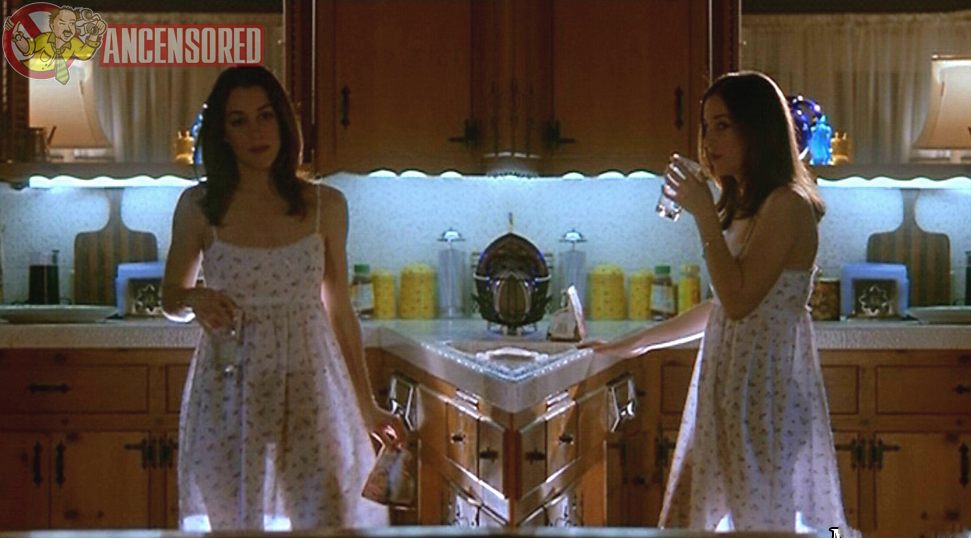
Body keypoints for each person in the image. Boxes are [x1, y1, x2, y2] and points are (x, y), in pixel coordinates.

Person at [583, 71, 858, 536]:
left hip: (765, 394)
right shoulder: (749, 205)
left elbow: (739, 300)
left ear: (758, 129)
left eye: (723, 126)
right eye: (706, 127)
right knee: (708, 519)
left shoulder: (788, 205)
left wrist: (704, 216)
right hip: (732, 387)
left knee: (760, 524)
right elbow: (721, 306)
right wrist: (636, 343)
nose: (708, 142)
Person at [162, 65, 402, 531]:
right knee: (235, 524)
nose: (256, 132)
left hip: (309, 380)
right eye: (239, 121)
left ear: (284, 122)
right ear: (223, 134)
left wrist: (367, 405)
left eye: (265, 115)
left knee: (325, 518)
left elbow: (340, 310)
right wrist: (194, 298)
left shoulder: (325, 206)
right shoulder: (198, 207)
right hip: (229, 387)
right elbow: (171, 297)